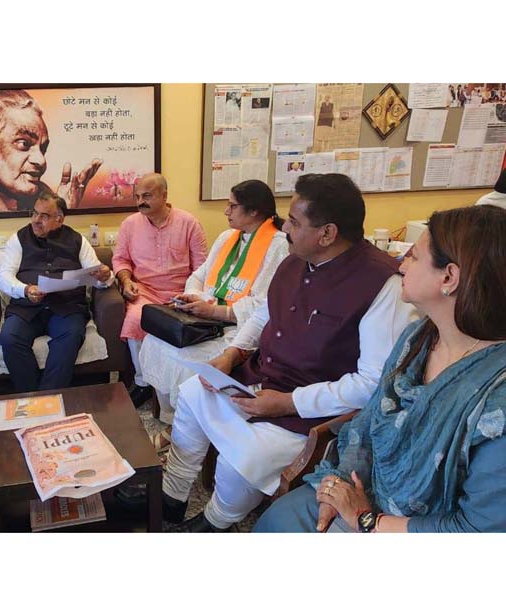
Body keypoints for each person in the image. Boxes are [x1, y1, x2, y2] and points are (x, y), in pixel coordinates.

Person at [118, 173, 417, 531]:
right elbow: (264, 313)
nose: (284, 227)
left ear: (327, 233)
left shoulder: (383, 286)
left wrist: (287, 403)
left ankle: (216, 522)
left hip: (309, 411)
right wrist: (233, 354)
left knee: (242, 458)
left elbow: (370, 384)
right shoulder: (294, 260)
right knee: (193, 393)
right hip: (261, 378)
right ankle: (172, 496)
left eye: (294, 221)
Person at [255, 205, 506, 533]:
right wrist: (340, 482)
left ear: (449, 278)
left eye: (414, 257)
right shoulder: (418, 338)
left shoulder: (496, 403)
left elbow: (476, 531)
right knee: (277, 520)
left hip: (415, 528)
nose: (402, 265)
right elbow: (369, 419)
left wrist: (367, 521)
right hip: (368, 488)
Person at [137, 180, 289, 449]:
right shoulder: (227, 237)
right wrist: (196, 297)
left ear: (254, 211)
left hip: (236, 326)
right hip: (205, 318)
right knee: (155, 341)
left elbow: (265, 305)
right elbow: (199, 276)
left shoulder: (278, 246)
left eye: (232, 206)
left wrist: (219, 311)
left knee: (186, 361)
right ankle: (173, 419)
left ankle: (185, 430)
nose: (226, 211)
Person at [0, 190, 113, 392]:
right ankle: (33, 396)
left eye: (44, 216)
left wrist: (105, 276)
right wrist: (25, 289)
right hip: (27, 308)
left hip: (66, 308)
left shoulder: (77, 240)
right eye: (34, 213)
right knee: (9, 337)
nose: (36, 220)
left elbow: (96, 273)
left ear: (60, 219)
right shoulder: (18, 239)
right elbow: (3, 276)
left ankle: (48, 397)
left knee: (71, 336)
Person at [112, 173, 208, 408]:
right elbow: (120, 259)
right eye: (137, 197)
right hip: (145, 292)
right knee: (135, 319)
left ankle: (178, 386)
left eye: (147, 196)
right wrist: (126, 281)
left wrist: (192, 294)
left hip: (181, 292)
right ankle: (143, 382)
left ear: (164, 196)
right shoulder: (130, 225)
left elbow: (202, 267)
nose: (140, 202)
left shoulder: (189, 223)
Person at [0, 89, 102, 213]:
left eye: (43, 149)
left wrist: (60, 213)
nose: (41, 161)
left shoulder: (41, 200)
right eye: (23, 143)